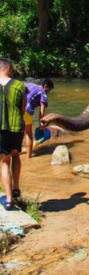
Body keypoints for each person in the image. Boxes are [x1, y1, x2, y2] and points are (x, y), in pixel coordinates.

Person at [0, 58, 26, 211]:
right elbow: (23, 109)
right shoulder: (19, 85)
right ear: (9, 69)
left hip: (0, 129)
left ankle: (9, 200)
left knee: (4, 161)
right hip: (17, 127)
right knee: (16, 155)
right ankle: (16, 188)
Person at [24, 78, 54, 158]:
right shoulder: (43, 92)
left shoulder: (30, 85)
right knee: (28, 133)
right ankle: (29, 157)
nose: (48, 92)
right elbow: (42, 110)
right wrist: (42, 124)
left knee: (18, 132)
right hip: (27, 112)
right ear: (46, 86)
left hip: (18, 109)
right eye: (49, 89)